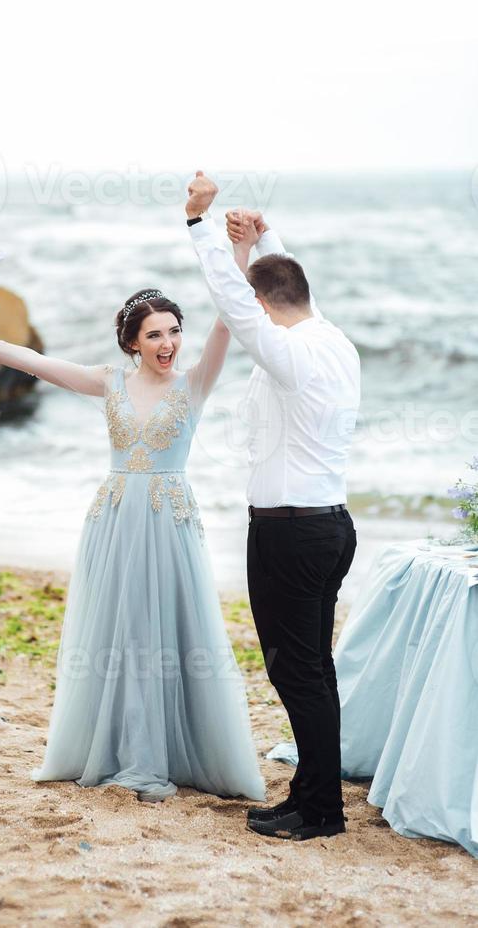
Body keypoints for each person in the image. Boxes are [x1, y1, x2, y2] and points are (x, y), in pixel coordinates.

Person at [0, 293, 265, 804]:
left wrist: (239, 257)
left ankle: (171, 752)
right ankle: (120, 746)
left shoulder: (194, 383)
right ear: (132, 341)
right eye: (155, 334)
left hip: (166, 521)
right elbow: (35, 363)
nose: (169, 343)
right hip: (113, 521)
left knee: (168, 629)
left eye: (175, 331)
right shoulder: (109, 381)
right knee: (119, 630)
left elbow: (227, 323)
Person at [184, 171, 361, 841]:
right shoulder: (332, 337)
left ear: (266, 305)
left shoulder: (287, 351)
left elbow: (236, 300)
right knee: (313, 671)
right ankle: (315, 797)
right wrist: (261, 238)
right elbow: (278, 281)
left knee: (300, 676)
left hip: (292, 536)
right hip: (329, 528)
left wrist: (200, 227)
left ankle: (319, 811)